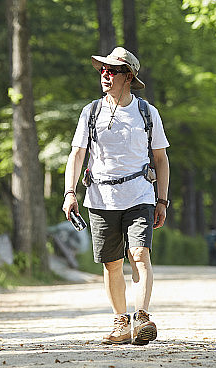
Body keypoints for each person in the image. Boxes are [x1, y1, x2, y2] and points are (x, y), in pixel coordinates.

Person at [62, 47, 170, 346]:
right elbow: (77, 154)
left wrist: (162, 200)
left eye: (112, 71)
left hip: (140, 194)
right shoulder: (91, 111)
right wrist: (70, 192)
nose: (105, 76)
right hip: (100, 198)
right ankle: (121, 322)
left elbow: (160, 159)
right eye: (103, 71)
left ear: (129, 76)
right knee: (111, 264)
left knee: (139, 254)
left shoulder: (147, 113)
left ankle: (143, 317)